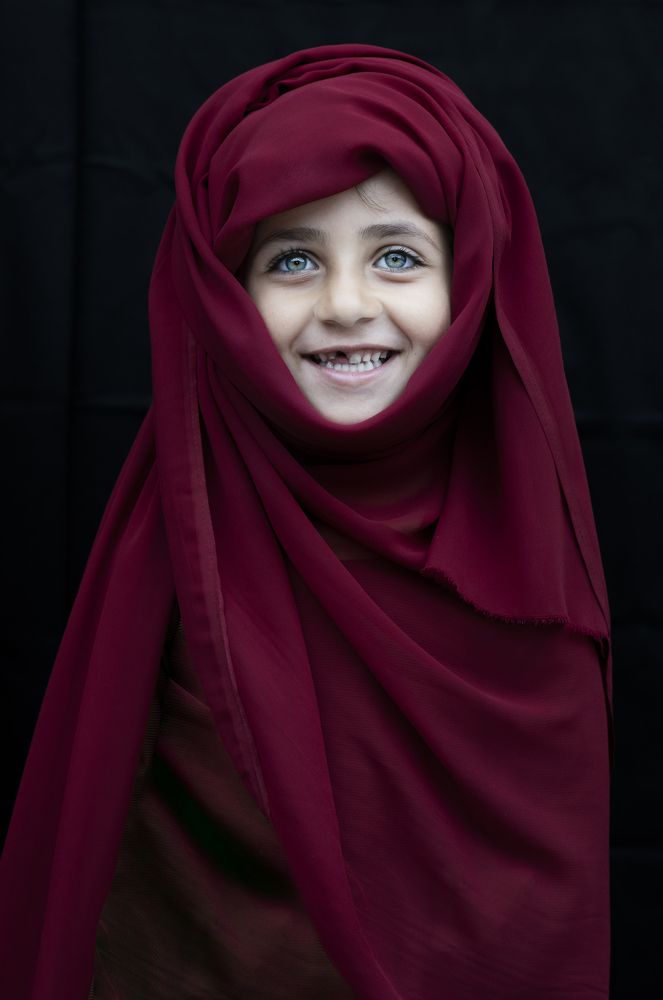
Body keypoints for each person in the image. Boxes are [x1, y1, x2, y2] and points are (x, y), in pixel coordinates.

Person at [0, 43, 613, 1000]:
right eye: (291, 259)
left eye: (398, 256)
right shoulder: (172, 560)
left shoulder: (532, 583)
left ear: (473, 278)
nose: (344, 306)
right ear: (224, 295)